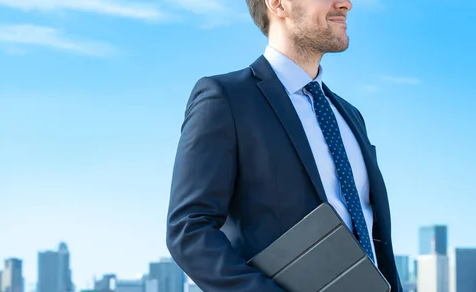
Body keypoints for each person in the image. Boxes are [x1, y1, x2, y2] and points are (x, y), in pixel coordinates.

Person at [166, 0, 402, 291]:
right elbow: (188, 229)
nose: (347, 4)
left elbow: (372, 229)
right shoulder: (227, 99)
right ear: (277, 4)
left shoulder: (350, 115)